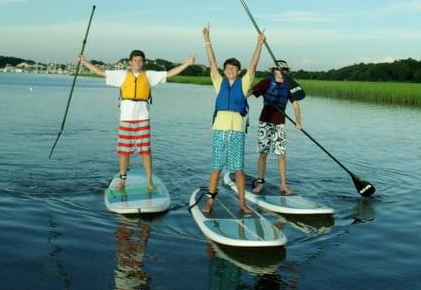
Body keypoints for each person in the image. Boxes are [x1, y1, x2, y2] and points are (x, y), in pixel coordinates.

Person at [79, 50, 195, 190]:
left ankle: (149, 180)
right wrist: (85, 62)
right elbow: (101, 72)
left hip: (143, 119)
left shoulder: (149, 76)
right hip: (126, 119)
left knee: (145, 151)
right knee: (124, 151)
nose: (137, 63)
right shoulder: (122, 75)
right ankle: (122, 180)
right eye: (135, 60)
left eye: (140, 61)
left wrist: (187, 64)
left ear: (143, 63)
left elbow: (169, 73)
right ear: (130, 62)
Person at [201, 23, 265, 214]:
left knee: (238, 169)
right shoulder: (218, 82)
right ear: (224, 70)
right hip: (220, 130)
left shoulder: (244, 83)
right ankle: (210, 201)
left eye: (234, 69)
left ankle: (242, 204)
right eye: (227, 68)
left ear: (238, 71)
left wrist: (259, 43)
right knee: (216, 167)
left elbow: (253, 66)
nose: (230, 70)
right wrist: (207, 39)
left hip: (236, 130)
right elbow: (212, 62)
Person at [249, 60, 302, 195]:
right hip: (265, 122)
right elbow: (249, 93)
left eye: (284, 70)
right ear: (274, 71)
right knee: (263, 154)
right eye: (279, 69)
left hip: (280, 124)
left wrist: (298, 122)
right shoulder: (266, 83)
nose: (281, 72)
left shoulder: (289, 86)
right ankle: (260, 184)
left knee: (282, 155)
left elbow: (295, 104)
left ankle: (283, 185)